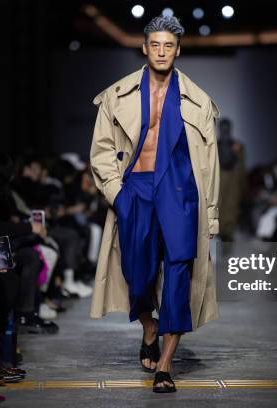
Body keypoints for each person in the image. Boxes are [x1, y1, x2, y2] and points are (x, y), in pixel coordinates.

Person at [89, 15, 220, 392]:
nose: (162, 51)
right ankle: (149, 325)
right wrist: (119, 193)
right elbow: (101, 151)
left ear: (178, 50)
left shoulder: (199, 101)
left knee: (180, 275)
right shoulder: (117, 95)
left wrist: (210, 219)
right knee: (137, 273)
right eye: (155, 45)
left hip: (181, 195)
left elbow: (210, 166)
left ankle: (165, 364)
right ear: (145, 47)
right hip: (137, 191)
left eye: (169, 45)